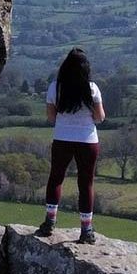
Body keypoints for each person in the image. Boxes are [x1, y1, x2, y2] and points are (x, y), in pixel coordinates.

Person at [37, 47, 105, 243]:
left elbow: (51, 117)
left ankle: (49, 222)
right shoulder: (92, 89)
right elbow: (100, 117)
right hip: (87, 140)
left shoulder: (55, 87)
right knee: (86, 184)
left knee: (56, 178)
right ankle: (86, 230)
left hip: (62, 138)